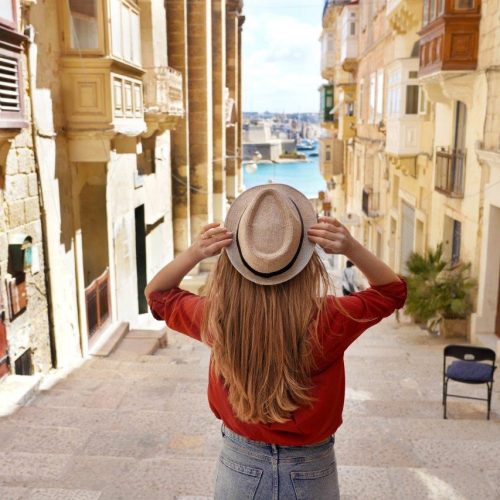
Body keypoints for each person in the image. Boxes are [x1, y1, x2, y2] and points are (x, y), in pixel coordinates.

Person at [145, 184, 406, 500]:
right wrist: (351, 247)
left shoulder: (216, 317)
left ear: (234, 257)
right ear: (305, 260)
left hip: (239, 462)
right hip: (312, 466)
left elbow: (157, 294)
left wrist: (194, 252)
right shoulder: (330, 317)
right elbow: (392, 292)